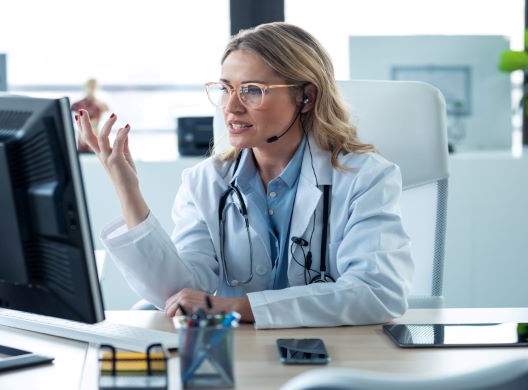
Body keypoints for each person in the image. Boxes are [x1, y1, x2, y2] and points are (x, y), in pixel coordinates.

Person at [75, 22, 413, 329]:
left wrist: (238, 306)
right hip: (233, 357)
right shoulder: (205, 182)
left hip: (333, 357)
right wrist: (127, 189)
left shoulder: (365, 177)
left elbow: (377, 292)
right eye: (225, 89)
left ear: (306, 98)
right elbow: (181, 294)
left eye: (252, 90)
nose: (231, 107)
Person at [71, 78, 109, 152]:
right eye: (90, 86)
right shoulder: (77, 104)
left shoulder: (102, 105)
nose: (92, 88)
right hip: (82, 136)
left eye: (94, 86)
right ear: (86, 87)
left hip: (96, 135)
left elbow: (106, 110)